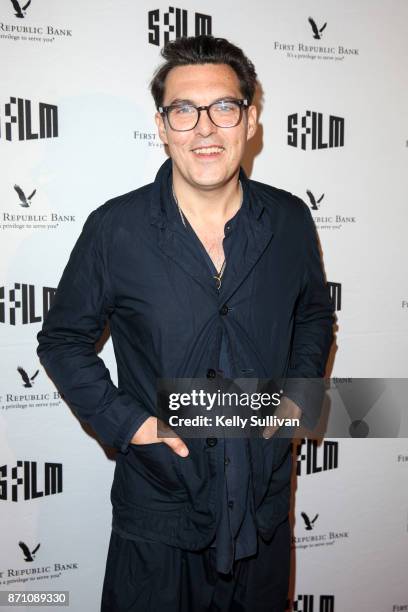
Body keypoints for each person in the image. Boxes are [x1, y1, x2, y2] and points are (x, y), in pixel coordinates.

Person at [36, 35, 334, 612]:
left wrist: (299, 394)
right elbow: (63, 340)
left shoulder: (292, 220)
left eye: (224, 107)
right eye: (183, 110)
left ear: (250, 121)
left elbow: (315, 314)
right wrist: (130, 423)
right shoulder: (114, 229)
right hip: (160, 516)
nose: (205, 128)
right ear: (162, 125)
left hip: (263, 510)